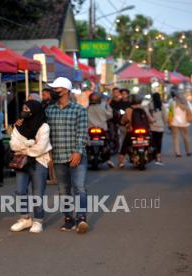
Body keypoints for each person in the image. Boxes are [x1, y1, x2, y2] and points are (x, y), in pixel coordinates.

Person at [46, 77, 89, 234]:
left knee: (79, 188)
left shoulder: (79, 110)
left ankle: (82, 218)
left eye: (56, 88)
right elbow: (44, 133)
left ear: (65, 90)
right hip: (57, 157)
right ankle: (68, 219)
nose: (53, 91)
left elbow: (82, 133)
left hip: (76, 156)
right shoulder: (49, 110)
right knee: (63, 190)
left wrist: (77, 152)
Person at [9, 100, 52, 233]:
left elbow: (40, 149)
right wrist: (30, 143)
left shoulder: (44, 127)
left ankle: (38, 220)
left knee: (37, 193)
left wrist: (23, 148)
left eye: (27, 108)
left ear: (35, 110)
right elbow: (13, 145)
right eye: (23, 108)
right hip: (22, 162)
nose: (24, 111)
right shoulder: (19, 125)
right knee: (20, 190)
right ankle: (25, 219)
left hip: (39, 161)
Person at [117, 94, 154, 168]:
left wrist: (122, 122)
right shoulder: (144, 108)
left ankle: (120, 162)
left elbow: (123, 120)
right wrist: (152, 121)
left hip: (132, 131)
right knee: (152, 142)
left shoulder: (128, 110)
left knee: (124, 145)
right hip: (144, 131)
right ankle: (156, 156)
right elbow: (150, 119)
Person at [87, 93, 115, 168]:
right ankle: (108, 160)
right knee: (108, 143)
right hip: (102, 129)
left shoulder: (87, 108)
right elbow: (110, 115)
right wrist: (108, 105)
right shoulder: (102, 108)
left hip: (90, 130)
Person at [168, 91, 192, 157]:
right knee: (186, 137)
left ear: (176, 97)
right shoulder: (186, 104)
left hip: (174, 123)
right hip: (184, 123)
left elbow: (170, 114)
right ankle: (188, 151)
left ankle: (178, 152)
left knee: (175, 138)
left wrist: (169, 123)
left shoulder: (172, 104)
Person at [149, 93, 167, 165]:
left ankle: (153, 154)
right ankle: (158, 155)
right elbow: (165, 116)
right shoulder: (162, 105)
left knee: (152, 141)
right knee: (159, 141)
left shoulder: (150, 105)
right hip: (160, 127)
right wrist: (164, 123)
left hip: (152, 126)